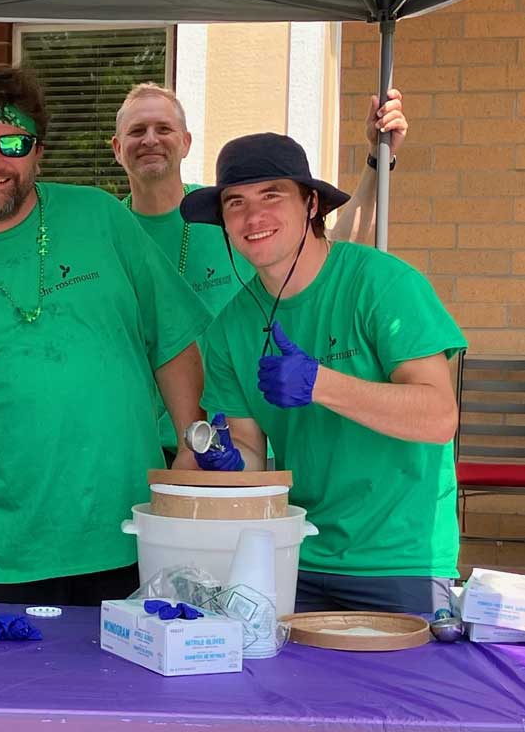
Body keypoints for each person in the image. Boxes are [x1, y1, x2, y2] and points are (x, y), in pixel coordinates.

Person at [0, 67, 211, 607]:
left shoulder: (101, 218)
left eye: (14, 144)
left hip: (130, 543)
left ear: (38, 153)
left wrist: (191, 442)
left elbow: (172, 337)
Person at [182, 133, 465, 614]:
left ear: (311, 204)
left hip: (401, 559)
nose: (253, 217)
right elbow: (250, 452)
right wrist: (227, 462)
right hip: (294, 553)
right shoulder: (229, 326)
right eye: (236, 203)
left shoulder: (381, 283)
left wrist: (320, 383)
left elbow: (439, 416)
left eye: (272, 195)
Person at [112, 83, 409, 458]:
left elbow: (325, 250)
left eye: (164, 129)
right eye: (137, 131)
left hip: (243, 443)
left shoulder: (234, 214)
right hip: (134, 445)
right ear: (117, 148)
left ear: (186, 142)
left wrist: (377, 162)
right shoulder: (106, 232)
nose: (151, 140)